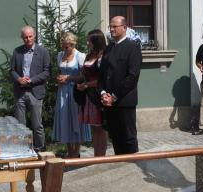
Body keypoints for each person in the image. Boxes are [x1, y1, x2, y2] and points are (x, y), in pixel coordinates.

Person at [99, 16, 142, 155]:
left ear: (124, 28)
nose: (111, 29)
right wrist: (103, 93)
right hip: (109, 102)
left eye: (115, 26)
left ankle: (132, 165)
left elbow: (132, 77)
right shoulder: (108, 48)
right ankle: (119, 164)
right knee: (115, 137)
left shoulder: (132, 47)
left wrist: (114, 96)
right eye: (110, 26)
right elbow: (102, 74)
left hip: (124, 101)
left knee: (128, 137)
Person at [10, 26, 51, 151]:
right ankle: (22, 150)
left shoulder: (43, 51)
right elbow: (12, 70)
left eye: (30, 36)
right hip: (20, 91)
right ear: (22, 38)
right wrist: (19, 79)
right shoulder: (17, 51)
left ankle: (40, 149)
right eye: (25, 37)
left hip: (35, 91)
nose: (28, 39)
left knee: (37, 124)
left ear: (34, 36)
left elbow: (46, 72)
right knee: (20, 124)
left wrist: (32, 80)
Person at [52, 32, 90, 158]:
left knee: (76, 119)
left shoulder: (80, 56)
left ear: (73, 45)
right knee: (65, 118)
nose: (64, 48)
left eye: (67, 46)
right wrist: (59, 79)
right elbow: (59, 71)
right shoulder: (60, 55)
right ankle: (69, 151)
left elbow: (84, 76)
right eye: (63, 46)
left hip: (75, 91)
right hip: (63, 92)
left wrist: (69, 78)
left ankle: (76, 151)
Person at [75, 30, 108, 156]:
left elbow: (102, 79)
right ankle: (96, 156)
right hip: (89, 96)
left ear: (96, 41)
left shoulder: (103, 56)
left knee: (100, 128)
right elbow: (84, 74)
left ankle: (101, 157)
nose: (87, 43)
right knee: (94, 127)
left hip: (98, 95)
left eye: (89, 40)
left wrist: (87, 85)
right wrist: (80, 84)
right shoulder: (89, 55)